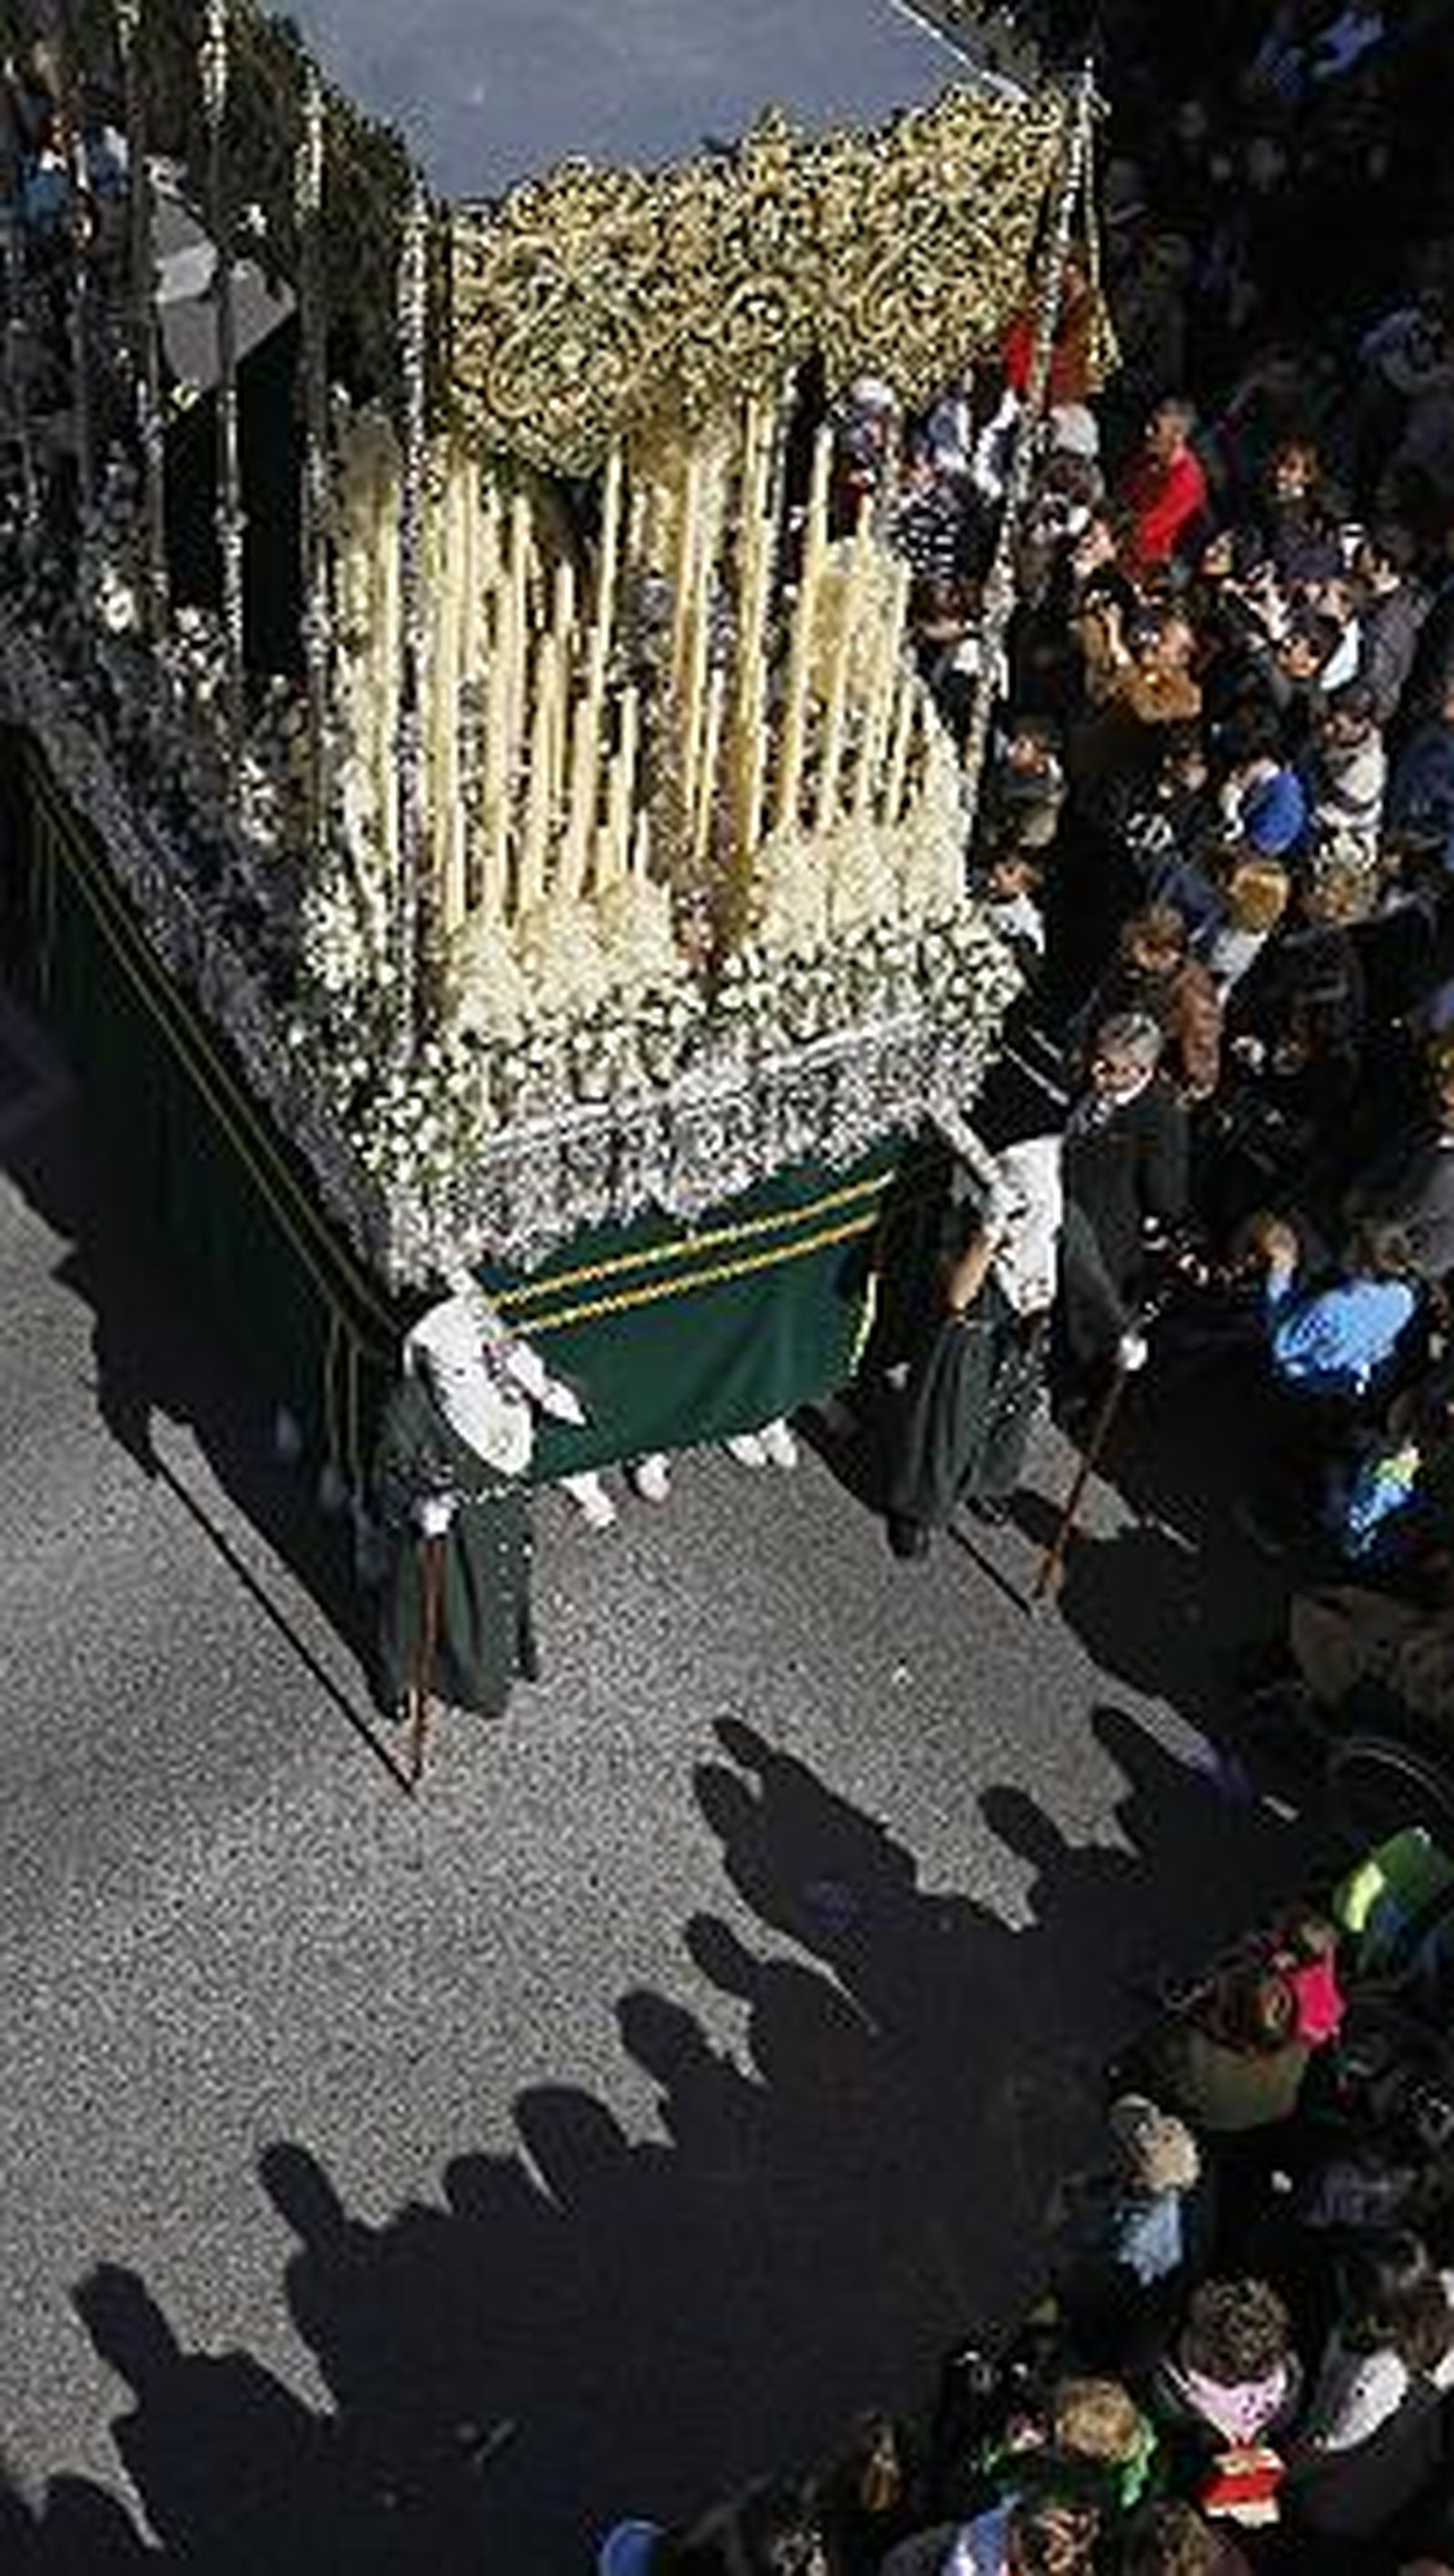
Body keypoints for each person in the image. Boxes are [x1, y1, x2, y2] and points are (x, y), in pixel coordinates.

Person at [372, 1274, 583, 1723]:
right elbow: (388, 1475)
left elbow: (570, 1412)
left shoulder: (510, 1383)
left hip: (502, 1515)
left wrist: (545, 1388)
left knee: (499, 1596)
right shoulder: (412, 1405)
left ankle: (500, 1660)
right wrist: (417, 1506)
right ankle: (398, 1675)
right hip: (447, 1530)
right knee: (418, 1603)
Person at [884, 1133, 1061, 1558]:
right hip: (981, 1294)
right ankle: (918, 1507)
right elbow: (958, 1293)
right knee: (949, 1408)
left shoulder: (1061, 1171)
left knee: (1008, 1407)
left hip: (1030, 1296)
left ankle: (984, 1478)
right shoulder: (1000, 1177)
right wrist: (988, 1234)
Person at [1288, 2232, 1454, 2543]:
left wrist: (1277, 2474)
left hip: (1344, 2491)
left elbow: (1332, 2449)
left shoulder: (1373, 2374)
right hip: (1411, 2452)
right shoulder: (1445, 2295)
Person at [1059, 1013, 1190, 1374]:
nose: (1096, 1070)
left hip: (1103, 1230)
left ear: (1139, 1070)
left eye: (1110, 1067)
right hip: (1060, 1202)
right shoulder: (1091, 1083)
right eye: (1097, 1059)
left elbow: (1166, 1196)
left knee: (1082, 1314)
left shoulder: (1161, 1115)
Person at [1151, 2277, 1301, 2529]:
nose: (1187, 2333)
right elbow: (1284, 2421)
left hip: (1193, 2464)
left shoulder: (1174, 2389)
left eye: (1196, 2332)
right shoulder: (1287, 2377)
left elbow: (1168, 2428)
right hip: (1244, 2461)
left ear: (1217, 2364)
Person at [1120, 399, 1209, 577]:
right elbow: (1122, 493)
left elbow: (1146, 528)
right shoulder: (1146, 458)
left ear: (1178, 435)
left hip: (1145, 563)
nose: (1147, 432)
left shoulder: (1186, 480)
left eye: (1156, 428)